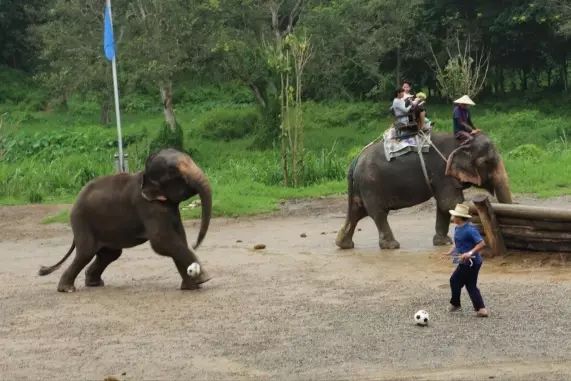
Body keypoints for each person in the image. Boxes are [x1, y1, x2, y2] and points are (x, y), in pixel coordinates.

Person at [444, 203, 489, 317]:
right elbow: (458, 243)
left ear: (459, 218)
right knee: (470, 284)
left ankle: (456, 304)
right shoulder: (458, 228)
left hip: (471, 262)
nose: (453, 218)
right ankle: (481, 309)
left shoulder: (470, 229)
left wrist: (469, 253)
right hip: (464, 261)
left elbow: (482, 243)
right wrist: (451, 252)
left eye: (454, 216)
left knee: (454, 280)